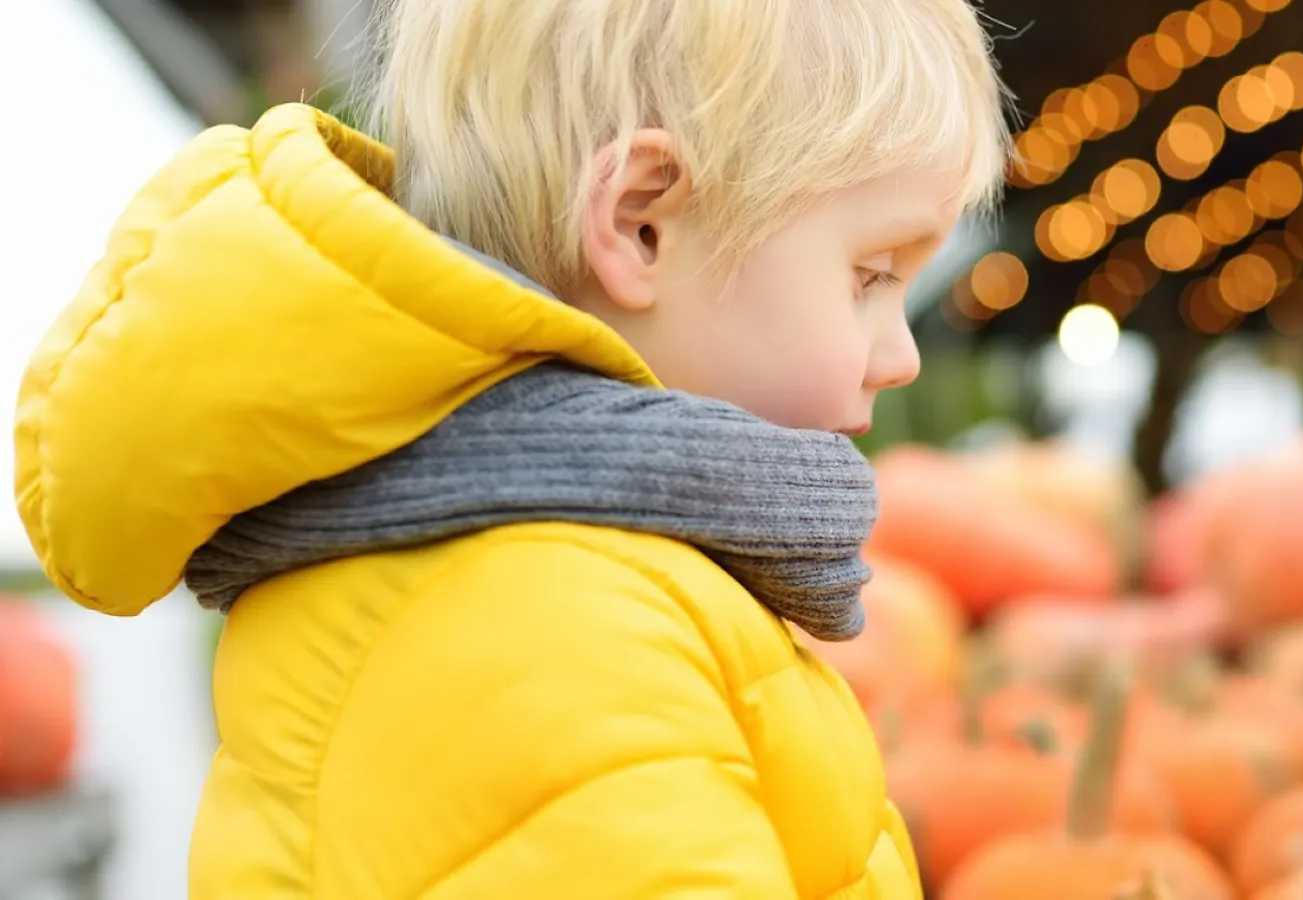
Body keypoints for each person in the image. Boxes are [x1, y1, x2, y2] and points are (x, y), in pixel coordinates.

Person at [12, 0, 1010, 895]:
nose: (903, 355)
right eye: (871, 274)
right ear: (641, 223)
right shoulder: (552, 622)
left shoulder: (577, 564)